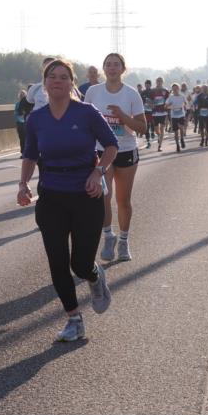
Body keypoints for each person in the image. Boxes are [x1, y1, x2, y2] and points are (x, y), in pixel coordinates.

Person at [18, 59, 119, 342]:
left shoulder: (86, 113)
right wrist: (23, 184)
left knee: (81, 264)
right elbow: (30, 154)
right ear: (44, 83)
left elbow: (111, 145)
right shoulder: (36, 119)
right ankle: (74, 318)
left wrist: (98, 172)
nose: (57, 81)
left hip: (86, 193)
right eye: (52, 76)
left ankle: (95, 276)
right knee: (57, 262)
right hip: (51, 195)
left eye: (63, 77)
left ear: (71, 83)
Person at [84, 53, 147, 262]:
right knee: (104, 196)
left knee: (123, 200)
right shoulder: (93, 92)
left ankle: (124, 240)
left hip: (126, 150)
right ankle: (108, 236)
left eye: (116, 65)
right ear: (104, 68)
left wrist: (123, 116)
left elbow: (142, 128)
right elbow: (85, 123)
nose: (112, 68)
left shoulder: (131, 94)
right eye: (108, 65)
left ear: (123, 69)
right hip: (101, 151)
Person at [149, 77, 170, 152]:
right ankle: (159, 136)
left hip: (163, 112)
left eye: (160, 81)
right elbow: (149, 100)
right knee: (156, 130)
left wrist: (167, 107)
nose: (159, 82)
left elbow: (169, 100)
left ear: (162, 82)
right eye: (158, 81)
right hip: (155, 113)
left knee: (162, 129)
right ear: (156, 82)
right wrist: (151, 105)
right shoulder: (153, 91)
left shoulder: (165, 91)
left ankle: (160, 146)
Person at [166, 82, 188, 152]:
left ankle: (182, 139)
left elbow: (186, 103)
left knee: (181, 128)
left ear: (178, 89)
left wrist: (184, 105)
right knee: (175, 132)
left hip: (181, 114)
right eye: (173, 89)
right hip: (174, 116)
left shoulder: (182, 96)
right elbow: (165, 106)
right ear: (172, 90)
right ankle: (177, 145)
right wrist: (169, 105)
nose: (175, 90)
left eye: (176, 88)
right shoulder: (170, 97)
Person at [15, 87, 34, 153]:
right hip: (22, 123)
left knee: (24, 138)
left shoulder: (25, 103)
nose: (22, 96)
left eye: (23, 95)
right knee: (23, 138)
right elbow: (17, 113)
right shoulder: (18, 104)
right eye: (21, 95)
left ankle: (25, 151)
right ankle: (24, 151)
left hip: (24, 123)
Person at [139, 79, 154, 149]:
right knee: (146, 126)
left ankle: (153, 132)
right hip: (145, 111)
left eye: (148, 84)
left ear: (150, 85)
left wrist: (151, 103)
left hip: (153, 111)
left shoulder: (153, 91)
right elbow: (140, 101)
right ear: (145, 85)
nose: (147, 86)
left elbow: (155, 101)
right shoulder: (143, 92)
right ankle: (148, 141)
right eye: (146, 84)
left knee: (153, 124)